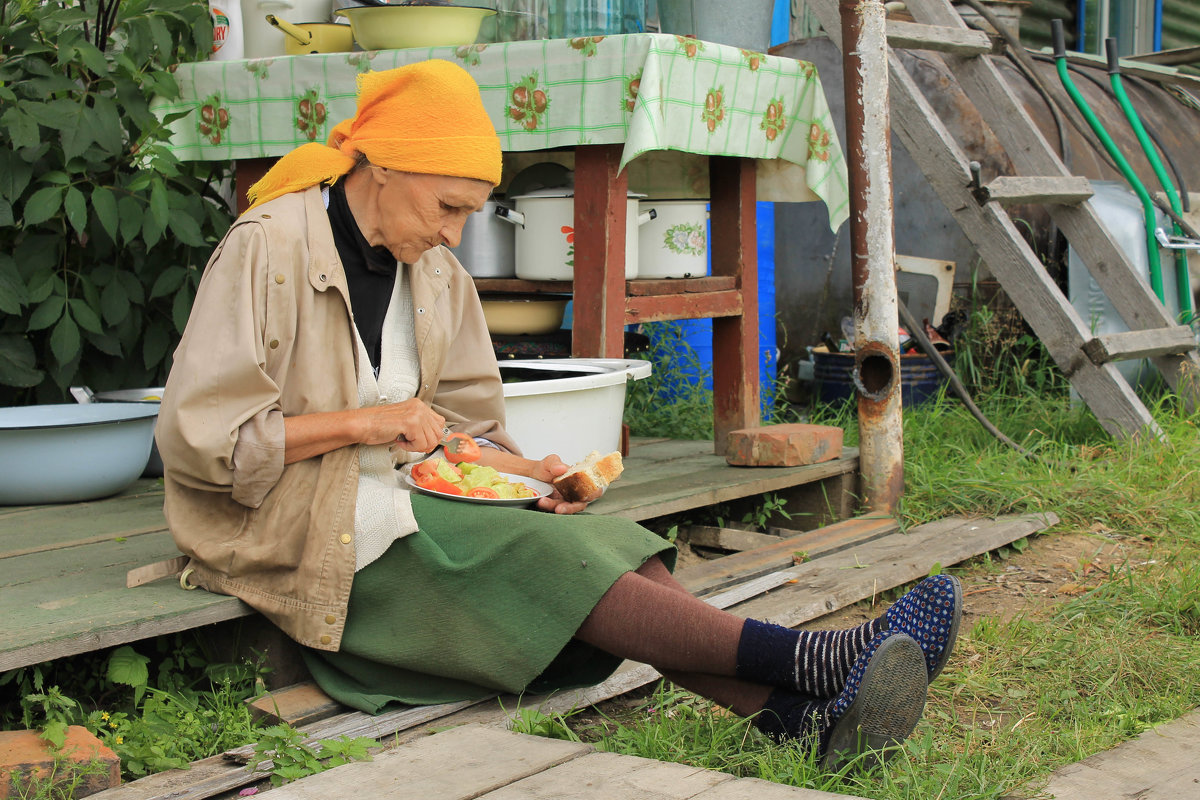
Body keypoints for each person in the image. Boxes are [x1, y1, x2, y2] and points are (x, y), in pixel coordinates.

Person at [156, 59, 961, 770]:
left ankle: (793, 720)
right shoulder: (269, 249)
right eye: (445, 207)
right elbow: (202, 445)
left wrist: (530, 470)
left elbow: (460, 432)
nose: (454, 234)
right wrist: (361, 425)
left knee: (595, 542)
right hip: (291, 521)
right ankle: (815, 660)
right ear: (385, 168)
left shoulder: (436, 274)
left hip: (407, 496)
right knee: (551, 567)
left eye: (469, 213)